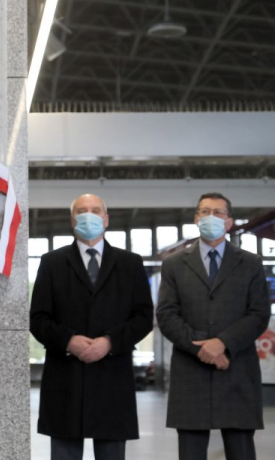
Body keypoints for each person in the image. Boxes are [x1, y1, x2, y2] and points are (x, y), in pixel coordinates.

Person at [30, 193, 153, 460]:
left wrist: (110, 342)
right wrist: (68, 341)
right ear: (73, 220)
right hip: (66, 378)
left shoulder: (129, 263)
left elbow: (143, 317)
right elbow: (38, 318)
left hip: (112, 376)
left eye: (95, 210)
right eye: (82, 210)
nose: (89, 215)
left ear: (106, 219)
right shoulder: (52, 262)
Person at [156, 192, 269, 460]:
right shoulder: (174, 264)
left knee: (241, 450)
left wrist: (223, 344)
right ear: (196, 219)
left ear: (229, 222)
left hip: (237, 370)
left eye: (218, 213)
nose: (211, 217)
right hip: (190, 371)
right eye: (205, 212)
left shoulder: (250, 263)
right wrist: (202, 349)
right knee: (191, 452)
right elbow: (167, 315)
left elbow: (258, 314)